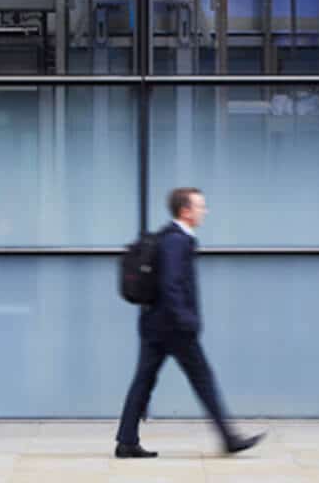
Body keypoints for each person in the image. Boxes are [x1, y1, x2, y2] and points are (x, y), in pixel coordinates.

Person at [115, 188, 265, 459]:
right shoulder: (177, 241)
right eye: (200, 206)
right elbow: (172, 283)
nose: (204, 211)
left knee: (144, 380)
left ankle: (126, 440)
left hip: (153, 323)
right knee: (202, 380)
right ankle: (229, 438)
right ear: (185, 211)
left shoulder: (168, 237)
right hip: (173, 326)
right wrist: (187, 319)